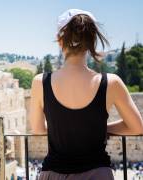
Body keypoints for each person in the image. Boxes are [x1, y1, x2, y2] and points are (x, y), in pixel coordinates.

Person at [29, 9, 143, 180]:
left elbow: (37, 129)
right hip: (98, 174)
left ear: (60, 41)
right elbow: (137, 127)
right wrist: (99, 129)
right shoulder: (111, 83)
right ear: (92, 42)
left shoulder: (40, 82)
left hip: (53, 174)